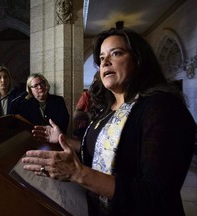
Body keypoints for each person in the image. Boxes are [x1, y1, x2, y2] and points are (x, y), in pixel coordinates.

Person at [21, 27, 196, 215]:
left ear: (138, 59)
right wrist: (63, 138)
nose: (105, 63)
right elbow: (103, 151)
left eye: (116, 53)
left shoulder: (162, 107)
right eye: (102, 58)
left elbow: (158, 195)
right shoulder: (108, 108)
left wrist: (79, 174)